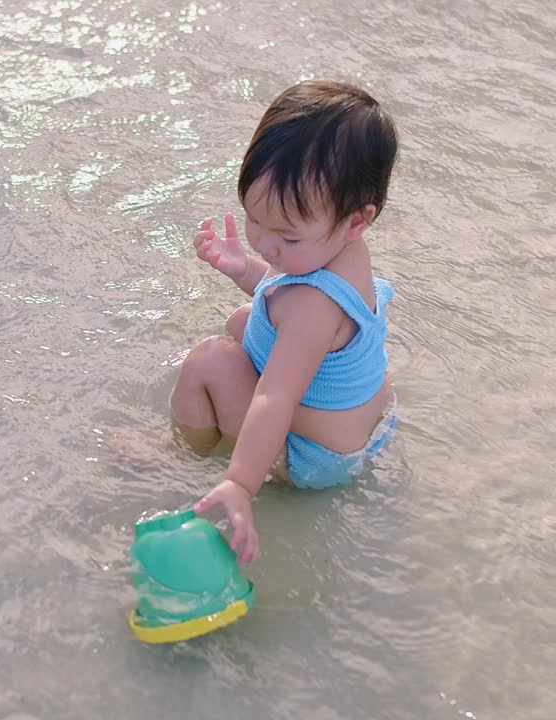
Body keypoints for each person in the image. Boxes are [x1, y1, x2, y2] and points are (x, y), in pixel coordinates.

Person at [170, 79, 399, 564]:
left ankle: (181, 454)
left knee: (210, 359)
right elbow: (284, 292)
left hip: (311, 461)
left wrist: (238, 483)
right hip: (362, 427)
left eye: (286, 237)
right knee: (242, 321)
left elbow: (275, 397)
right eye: (255, 220)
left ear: (356, 219)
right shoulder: (344, 249)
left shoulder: (311, 308)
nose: (266, 245)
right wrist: (243, 270)